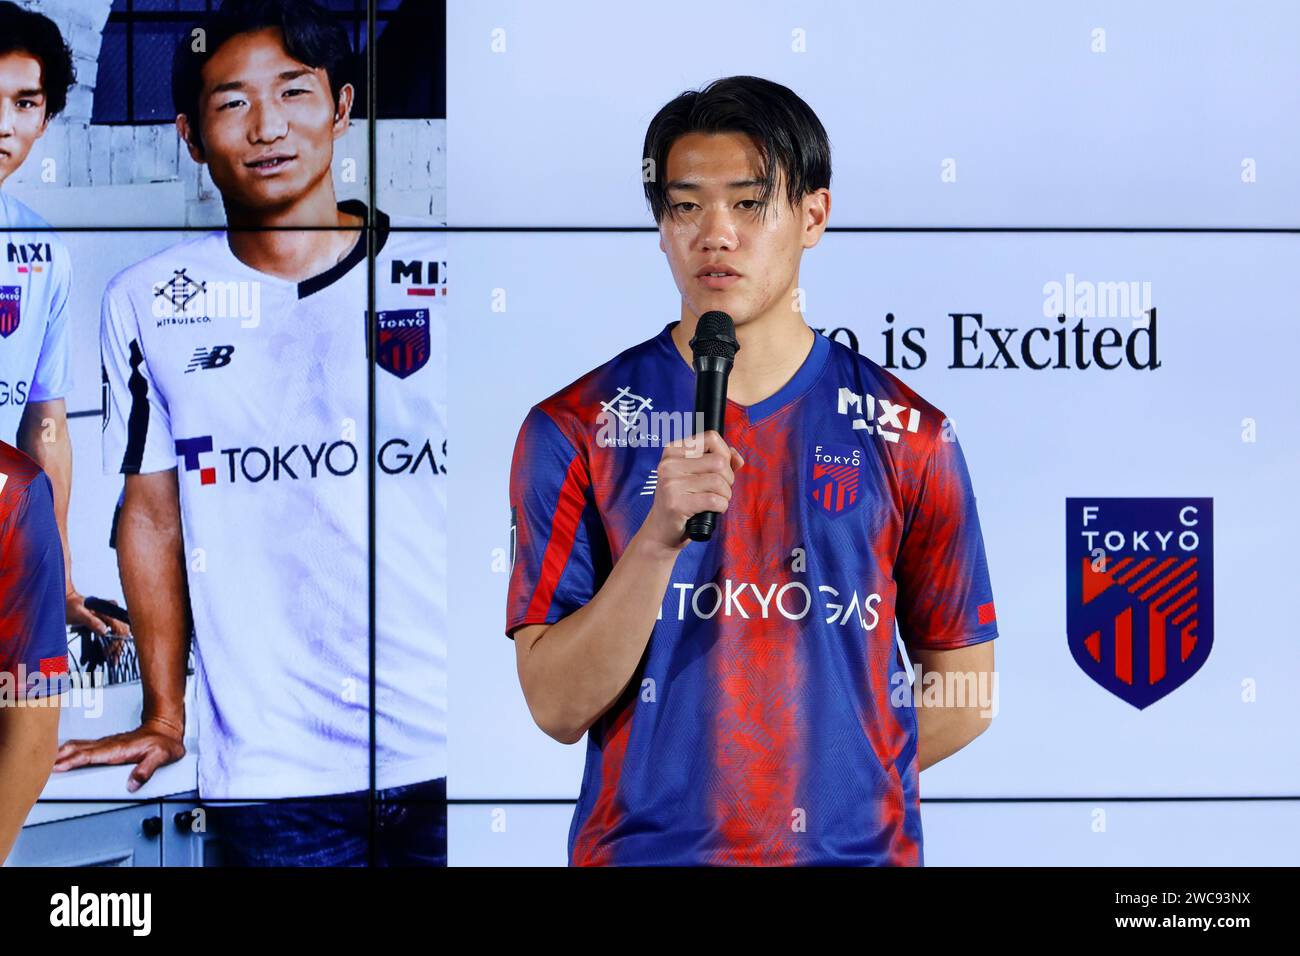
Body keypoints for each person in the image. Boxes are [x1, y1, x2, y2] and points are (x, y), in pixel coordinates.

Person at [506, 75, 998, 866]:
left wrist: (821, 796)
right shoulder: (575, 426)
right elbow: (557, 705)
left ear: (813, 217)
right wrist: (658, 542)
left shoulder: (911, 433)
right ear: (661, 227)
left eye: (747, 202)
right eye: (686, 204)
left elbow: (967, 692)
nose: (715, 233)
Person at [53, 0, 446, 867]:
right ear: (192, 138)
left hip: (447, 755)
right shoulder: (148, 301)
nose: (268, 127)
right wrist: (166, 712)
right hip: (271, 779)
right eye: (232, 104)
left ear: (342, 109)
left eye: (294, 93)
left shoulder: (441, 283)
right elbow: (151, 513)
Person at [0, 2, 129, 642]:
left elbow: (44, 428)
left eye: (25, 104)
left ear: (45, 119)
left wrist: (63, 580)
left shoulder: (41, 251)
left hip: (8, 559)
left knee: (26, 740)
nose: (4, 125)